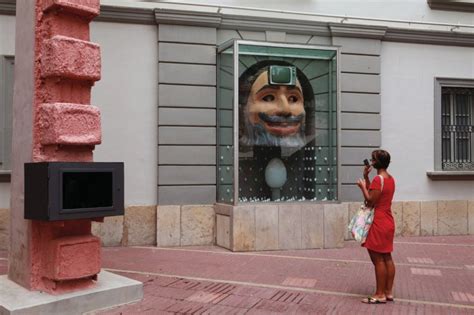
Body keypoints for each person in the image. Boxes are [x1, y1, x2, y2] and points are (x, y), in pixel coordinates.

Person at [356, 149, 396, 304]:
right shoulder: (390, 179)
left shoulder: (378, 180)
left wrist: (362, 186)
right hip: (388, 220)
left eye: (373, 159)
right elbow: (378, 196)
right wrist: (366, 176)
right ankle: (388, 292)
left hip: (378, 222)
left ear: (378, 162)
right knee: (387, 257)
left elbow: (370, 201)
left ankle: (379, 294)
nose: (371, 161)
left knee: (377, 259)